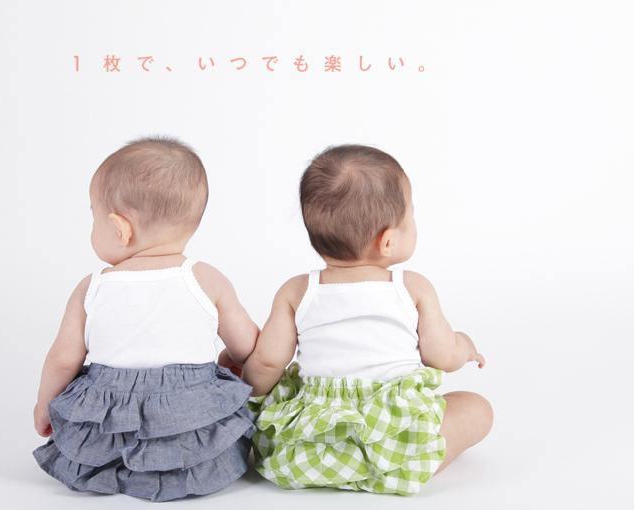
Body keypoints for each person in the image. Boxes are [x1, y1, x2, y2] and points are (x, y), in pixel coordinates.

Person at [241, 144, 493, 495]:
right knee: (477, 408)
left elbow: (267, 362)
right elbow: (443, 355)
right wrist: (465, 345)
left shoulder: (297, 291)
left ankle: (333, 465)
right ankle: (392, 467)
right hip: (395, 440)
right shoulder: (412, 288)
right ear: (387, 241)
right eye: (411, 216)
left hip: (310, 446)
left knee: (273, 426)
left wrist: (245, 398)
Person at [32, 136, 259, 502]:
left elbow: (62, 360)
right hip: (191, 428)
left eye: (93, 216)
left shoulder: (93, 286)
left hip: (109, 429)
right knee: (220, 431)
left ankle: (116, 472)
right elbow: (247, 346)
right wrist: (231, 358)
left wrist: (45, 408)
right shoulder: (206, 278)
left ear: (120, 229)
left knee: (96, 442)